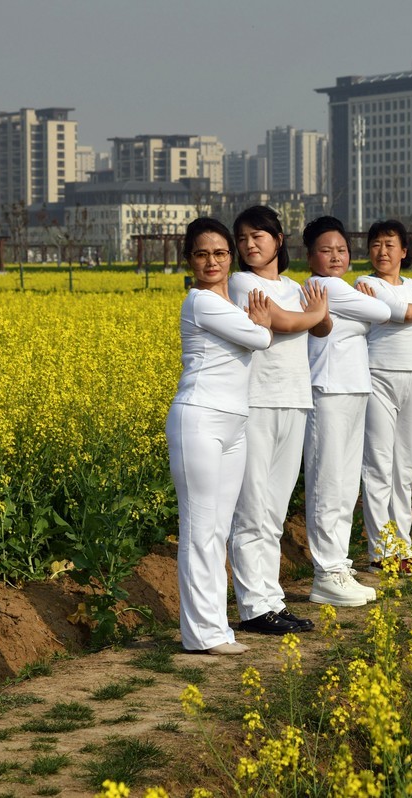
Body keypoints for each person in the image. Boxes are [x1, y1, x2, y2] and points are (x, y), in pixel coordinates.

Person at [166, 217, 272, 656]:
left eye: (220, 253)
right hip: (200, 420)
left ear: (230, 256)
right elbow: (260, 338)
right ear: (189, 260)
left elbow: (257, 332)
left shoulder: (230, 304)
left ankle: (214, 628)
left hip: (234, 423)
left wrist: (259, 324)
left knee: (218, 530)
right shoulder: (200, 302)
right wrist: (261, 325)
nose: (212, 261)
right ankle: (202, 634)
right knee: (200, 529)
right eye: (202, 254)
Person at [227, 206, 329, 636]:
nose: (249, 244)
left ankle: (271, 600)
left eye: (258, 236)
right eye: (243, 238)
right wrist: (314, 314)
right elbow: (287, 322)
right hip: (257, 402)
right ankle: (253, 607)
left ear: (278, 239)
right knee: (252, 507)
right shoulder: (241, 282)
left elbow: (321, 328)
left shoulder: (292, 286)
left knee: (274, 510)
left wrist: (314, 316)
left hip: (294, 399)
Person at [302, 216, 390, 606]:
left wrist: (360, 313)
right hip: (328, 389)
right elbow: (383, 312)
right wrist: (365, 309)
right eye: (326, 250)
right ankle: (326, 572)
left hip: (353, 386)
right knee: (328, 482)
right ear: (310, 257)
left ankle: (338, 564)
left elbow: (374, 312)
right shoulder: (326, 286)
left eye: (341, 250)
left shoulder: (339, 289)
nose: (336, 256)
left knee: (345, 484)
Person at [356, 220, 412, 572]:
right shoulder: (366, 284)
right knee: (379, 464)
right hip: (379, 376)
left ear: (404, 251)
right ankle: (381, 551)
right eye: (376, 244)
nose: (382, 251)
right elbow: (402, 314)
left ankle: (403, 547)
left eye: (389, 244)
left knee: (405, 467)